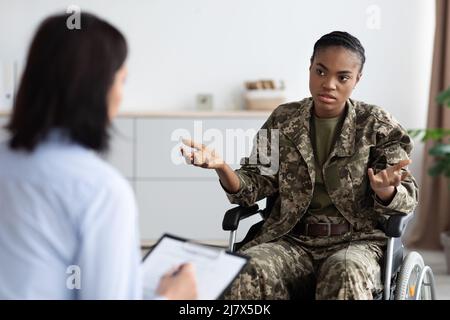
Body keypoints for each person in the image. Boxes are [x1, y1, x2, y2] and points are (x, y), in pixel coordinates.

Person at [181, 31, 418, 300]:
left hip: (356, 241)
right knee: (247, 269)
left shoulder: (376, 124)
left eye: (342, 77)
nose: (328, 84)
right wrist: (222, 167)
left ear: (357, 79)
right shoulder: (284, 119)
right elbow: (253, 185)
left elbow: (407, 198)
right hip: (291, 239)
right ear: (310, 67)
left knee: (344, 271)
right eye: (320, 71)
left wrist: (385, 191)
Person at [0, 12, 197, 300]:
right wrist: (172, 297)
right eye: (121, 81)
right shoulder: (100, 191)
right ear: (97, 89)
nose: (121, 94)